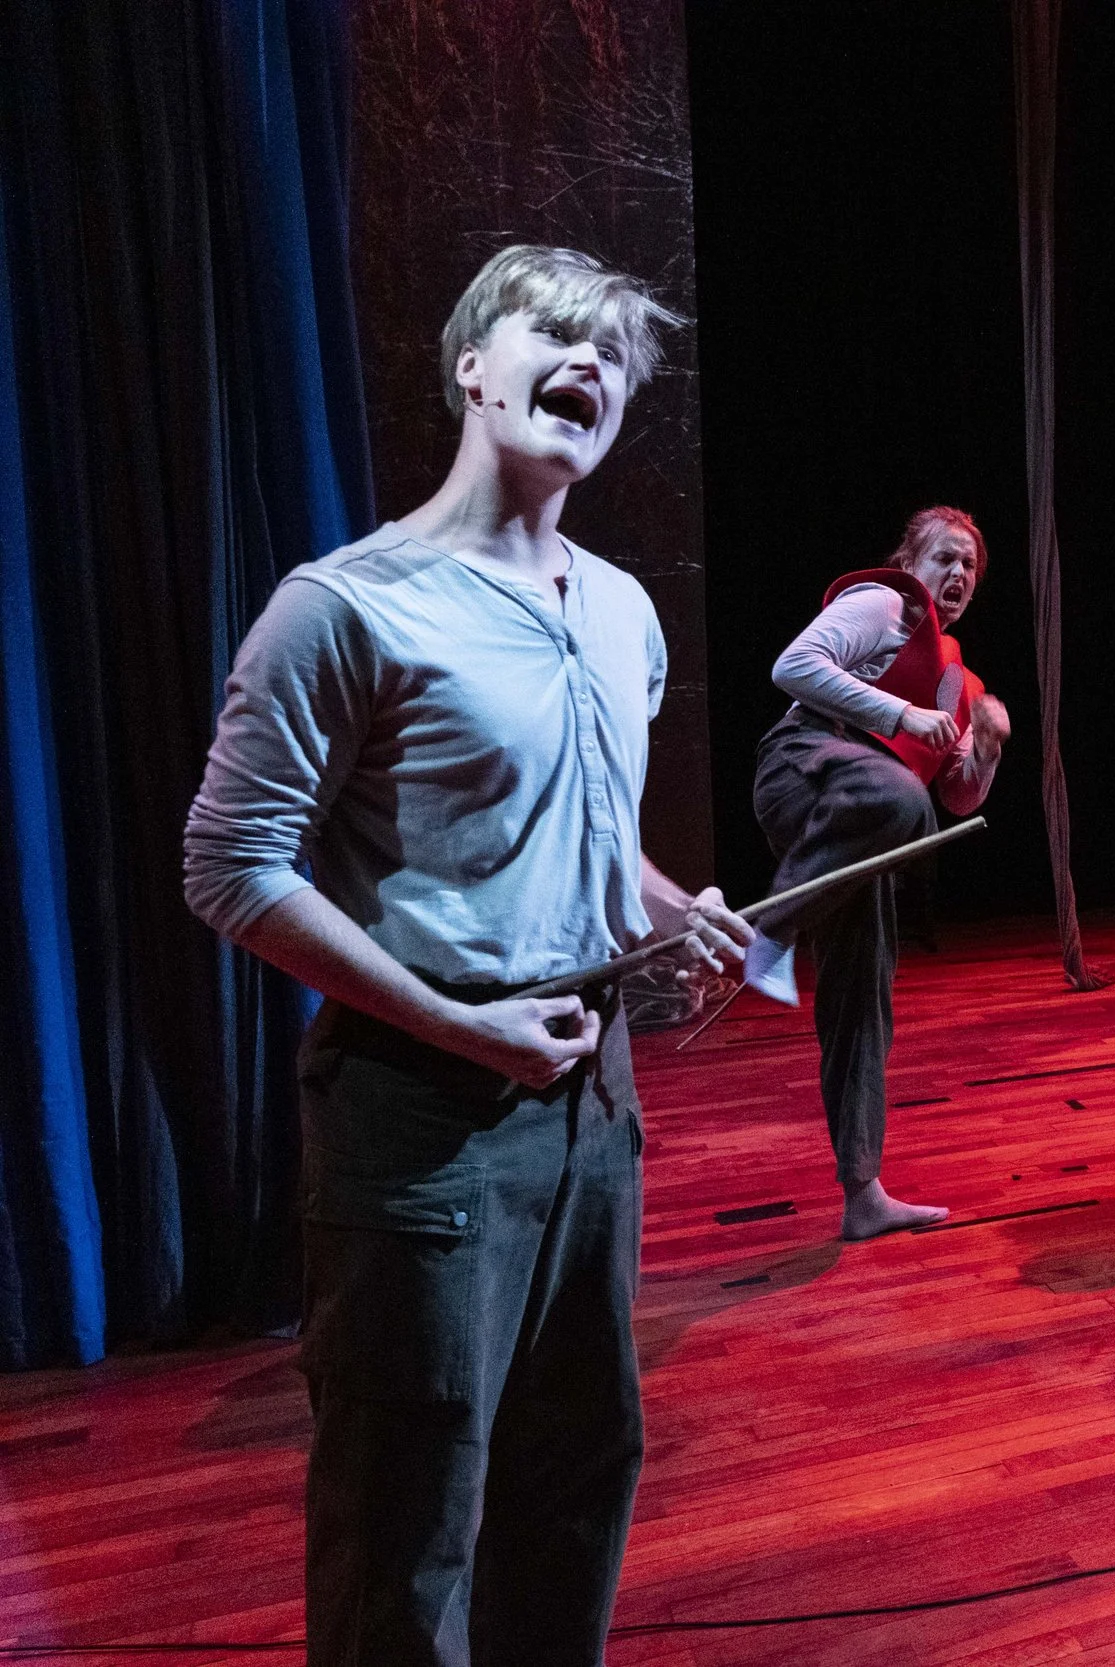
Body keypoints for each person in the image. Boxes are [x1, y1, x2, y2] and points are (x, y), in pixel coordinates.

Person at [183, 245, 753, 1665]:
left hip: (593, 1103)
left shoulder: (621, 608)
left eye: (615, 354)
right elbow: (231, 868)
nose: (590, 364)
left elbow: (584, 833)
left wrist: (675, 912)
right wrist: (457, 1022)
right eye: (554, 332)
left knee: (576, 1473)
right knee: (411, 1512)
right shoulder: (348, 603)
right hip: (422, 1120)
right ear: (468, 364)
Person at [751, 506, 1009, 1240]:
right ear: (910, 559)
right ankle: (770, 931)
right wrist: (899, 713)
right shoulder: (885, 605)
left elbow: (957, 798)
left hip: (863, 828)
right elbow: (792, 667)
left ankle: (861, 1192)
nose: (956, 575)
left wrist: (985, 748)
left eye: (969, 567)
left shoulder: (959, 677)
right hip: (808, 766)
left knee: (863, 994)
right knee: (898, 798)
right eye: (945, 558)